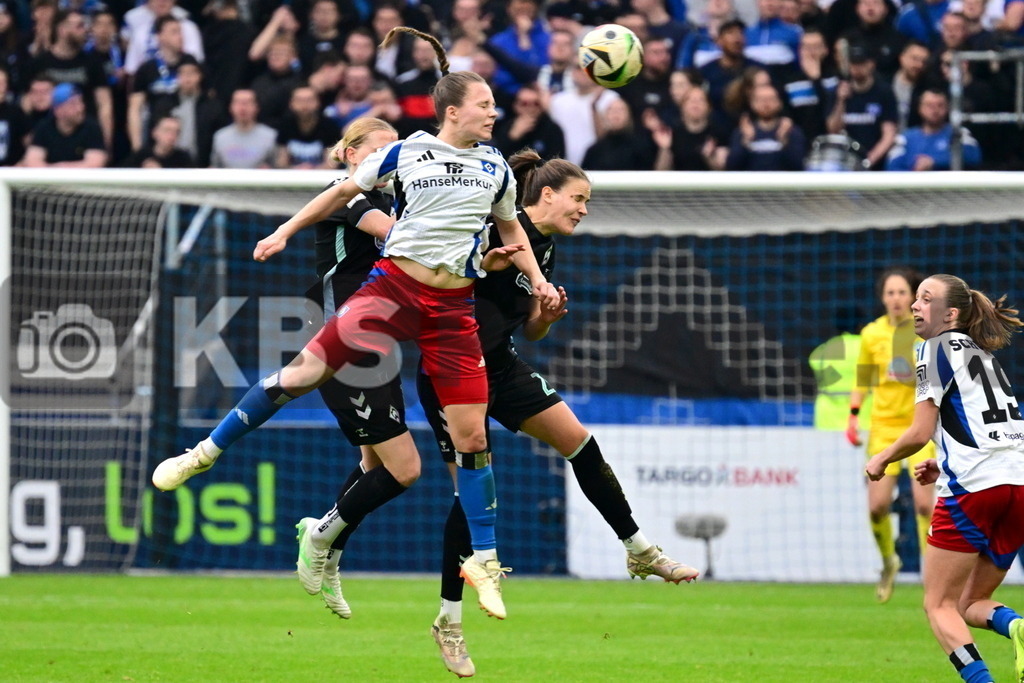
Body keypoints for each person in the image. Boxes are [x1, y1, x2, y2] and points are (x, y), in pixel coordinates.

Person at [151, 26, 561, 623]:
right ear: (452, 113)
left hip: (451, 312)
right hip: (392, 292)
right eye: (485, 107)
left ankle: (485, 563)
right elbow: (344, 194)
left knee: (470, 440)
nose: (495, 115)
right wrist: (283, 231)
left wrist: (530, 274)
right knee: (301, 375)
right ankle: (205, 453)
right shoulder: (404, 155)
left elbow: (511, 230)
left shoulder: (496, 168)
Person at [418, 149, 699, 677]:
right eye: (579, 199)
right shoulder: (495, 222)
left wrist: (545, 316)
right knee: (471, 489)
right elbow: (441, 273)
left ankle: (639, 550)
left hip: (500, 365)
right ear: (546, 195)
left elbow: (529, 328)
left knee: (581, 445)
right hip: (451, 368)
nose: (584, 210)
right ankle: (449, 623)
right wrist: (481, 261)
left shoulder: (541, 249)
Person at [866, 273, 1024, 683]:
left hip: (974, 490)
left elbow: (920, 433)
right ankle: (1019, 627)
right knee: (973, 602)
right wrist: (945, 461)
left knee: (938, 604)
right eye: (916, 298)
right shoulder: (983, 354)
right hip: (1017, 486)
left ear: (949, 314)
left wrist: (881, 458)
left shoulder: (932, 349)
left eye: (925, 299)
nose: (916, 306)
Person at [848, 266, 935, 602]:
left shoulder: (923, 333)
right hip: (884, 428)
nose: (896, 299)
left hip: (919, 426)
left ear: (912, 297)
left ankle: (934, 576)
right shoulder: (871, 334)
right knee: (877, 506)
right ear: (882, 298)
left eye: (902, 293)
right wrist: (853, 418)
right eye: (890, 293)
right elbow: (863, 380)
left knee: (925, 505)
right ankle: (888, 562)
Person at [886, 88, 981, 171]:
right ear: (920, 108)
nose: (935, 110)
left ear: (947, 108)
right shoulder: (905, 138)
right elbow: (892, 166)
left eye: (940, 105)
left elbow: (973, 156)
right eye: (929, 105)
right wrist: (915, 174)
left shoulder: (959, 132)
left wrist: (934, 161)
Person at [20, 82, 107, 167]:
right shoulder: (44, 127)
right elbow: (33, 162)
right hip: (50, 181)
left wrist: (57, 168)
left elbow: (95, 163)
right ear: (58, 110)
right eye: (73, 104)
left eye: (81, 102)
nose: (80, 108)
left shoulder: (91, 127)